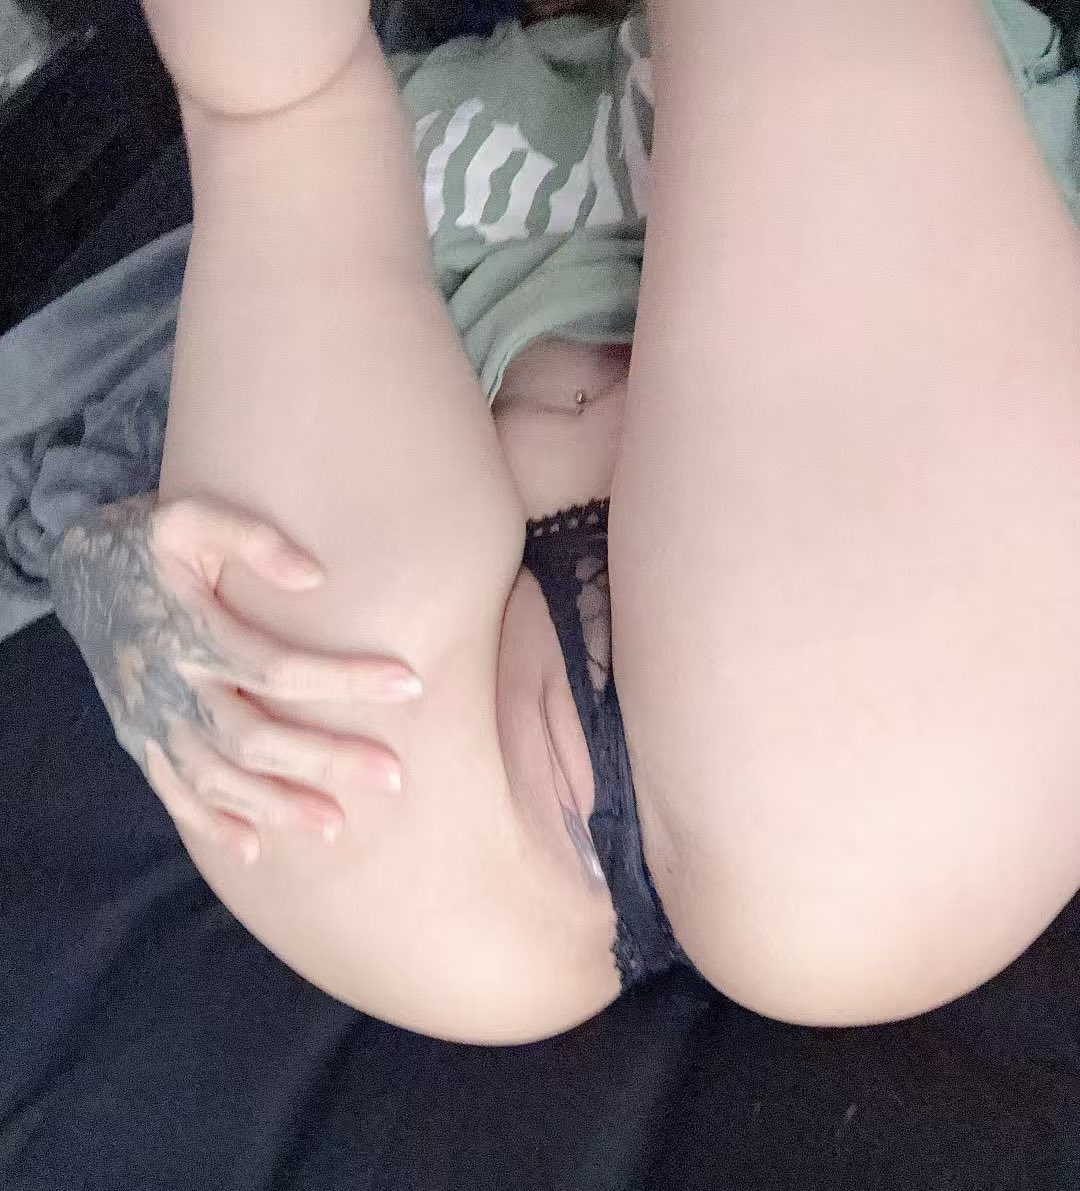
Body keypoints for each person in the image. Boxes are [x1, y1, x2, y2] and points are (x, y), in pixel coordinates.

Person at [48, 0, 1080, 1045]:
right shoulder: (423, 104)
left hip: (466, 816)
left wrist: (103, 560)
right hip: (798, 756)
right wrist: (107, 563)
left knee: (268, 118)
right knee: (274, 115)